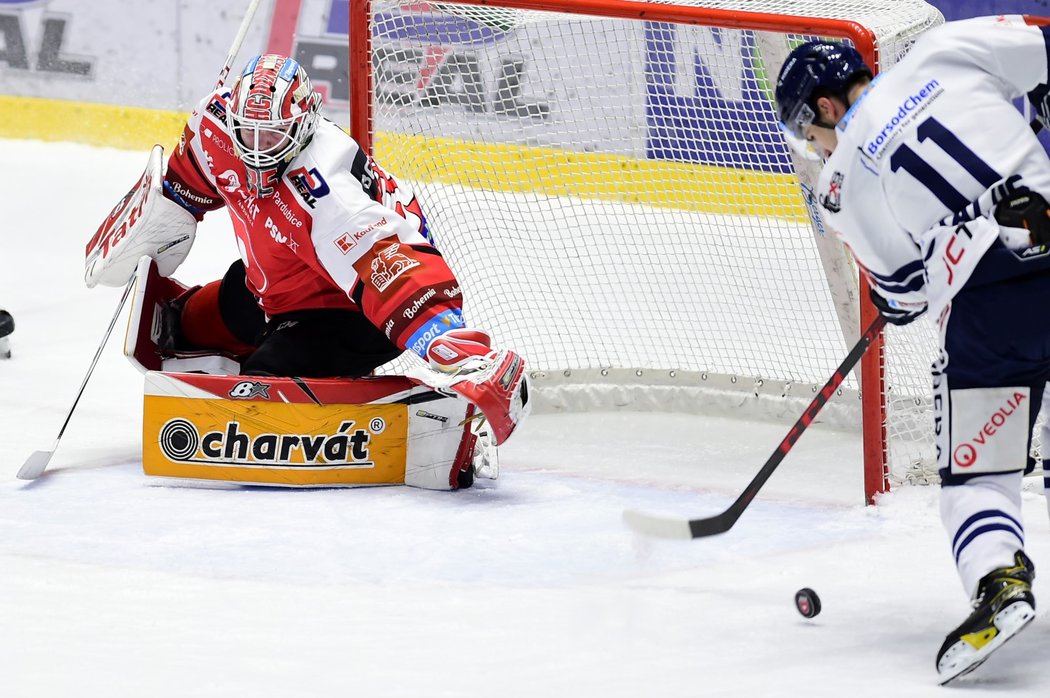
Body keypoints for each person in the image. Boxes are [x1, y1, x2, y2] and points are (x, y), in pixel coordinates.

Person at [775, 15, 1050, 684]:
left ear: (828, 107)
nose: (817, 146)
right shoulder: (942, 49)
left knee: (977, 475)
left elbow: (906, 291)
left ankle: (1000, 582)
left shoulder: (841, 182)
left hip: (990, 307)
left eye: (812, 132)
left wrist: (899, 300)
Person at [85, 54, 530, 449]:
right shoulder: (216, 125)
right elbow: (190, 182)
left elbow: (386, 265)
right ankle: (278, 342)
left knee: (262, 385)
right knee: (179, 324)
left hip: (351, 309)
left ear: (304, 125)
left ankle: (376, 406)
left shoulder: (325, 190)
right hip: (276, 281)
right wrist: (158, 217)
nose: (258, 150)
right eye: (249, 134)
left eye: (273, 137)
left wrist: (447, 342)